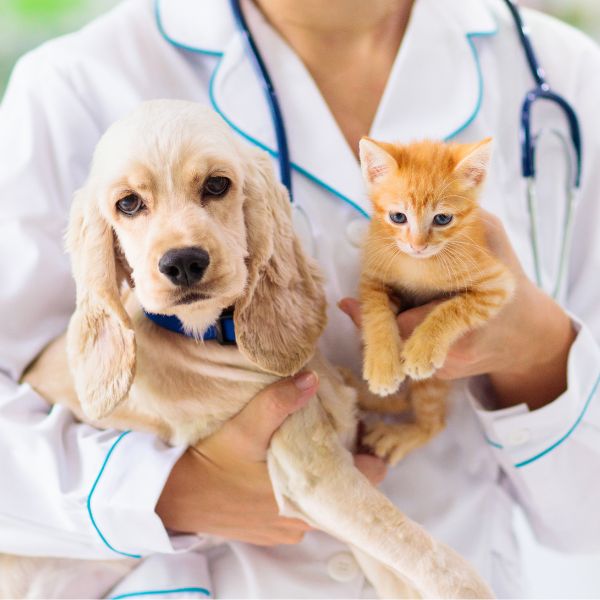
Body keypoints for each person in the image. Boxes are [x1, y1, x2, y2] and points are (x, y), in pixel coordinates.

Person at [0, 0, 599, 597]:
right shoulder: (73, 83)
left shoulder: (565, 72)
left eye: (213, 187)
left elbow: (587, 520)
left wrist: (541, 349)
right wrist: (169, 491)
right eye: (132, 204)